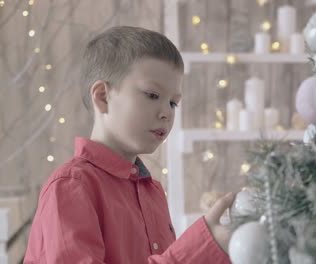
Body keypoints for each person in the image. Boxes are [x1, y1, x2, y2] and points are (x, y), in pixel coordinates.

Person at [24, 26, 235, 264]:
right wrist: (198, 247)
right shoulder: (70, 187)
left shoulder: (152, 190)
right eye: (152, 95)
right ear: (103, 97)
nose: (166, 112)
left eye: (173, 103)